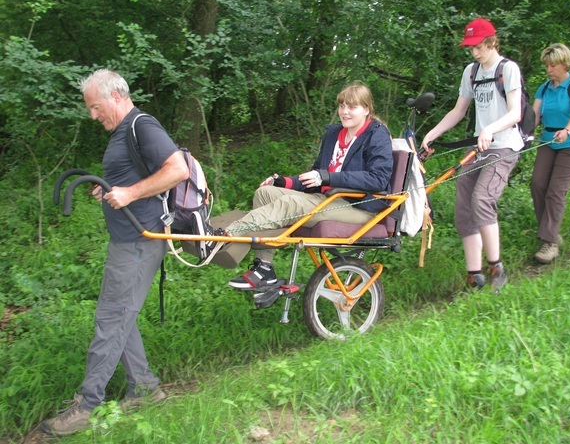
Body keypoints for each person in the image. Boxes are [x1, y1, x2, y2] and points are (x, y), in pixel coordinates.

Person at [40, 69, 189, 436]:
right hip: (127, 240)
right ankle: (143, 388)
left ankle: (86, 405)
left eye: (95, 107)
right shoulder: (123, 131)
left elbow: (178, 169)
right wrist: (112, 189)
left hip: (140, 241)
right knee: (121, 316)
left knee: (111, 319)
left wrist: (131, 193)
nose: (93, 115)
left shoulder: (142, 125)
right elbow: (134, 177)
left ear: (117, 96)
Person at [224, 82, 393, 291]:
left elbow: (378, 179)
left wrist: (328, 177)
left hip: (360, 207)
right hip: (328, 199)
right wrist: (283, 181)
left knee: (290, 203)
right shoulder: (333, 135)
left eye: (352, 107)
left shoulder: (376, 135)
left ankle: (225, 234)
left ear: (366, 109)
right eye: (342, 106)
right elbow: (315, 177)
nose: (345, 112)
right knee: (265, 193)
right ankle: (264, 269)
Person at [420, 18, 525, 293]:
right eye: (471, 49)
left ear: (492, 42)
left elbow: (516, 113)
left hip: (504, 146)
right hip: (479, 147)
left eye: (478, 47)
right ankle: (474, 275)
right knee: (464, 207)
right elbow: (459, 111)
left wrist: (489, 129)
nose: (475, 53)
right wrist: (433, 134)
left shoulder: (508, 69)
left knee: (482, 199)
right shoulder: (471, 72)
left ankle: (497, 268)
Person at [530, 43, 570, 264]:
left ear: (565, 64)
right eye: (546, 65)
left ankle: (550, 242)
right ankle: (550, 230)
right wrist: (523, 134)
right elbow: (535, 117)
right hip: (549, 141)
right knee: (537, 184)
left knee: (556, 190)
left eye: (553, 66)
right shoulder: (544, 89)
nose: (549, 70)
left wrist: (567, 130)